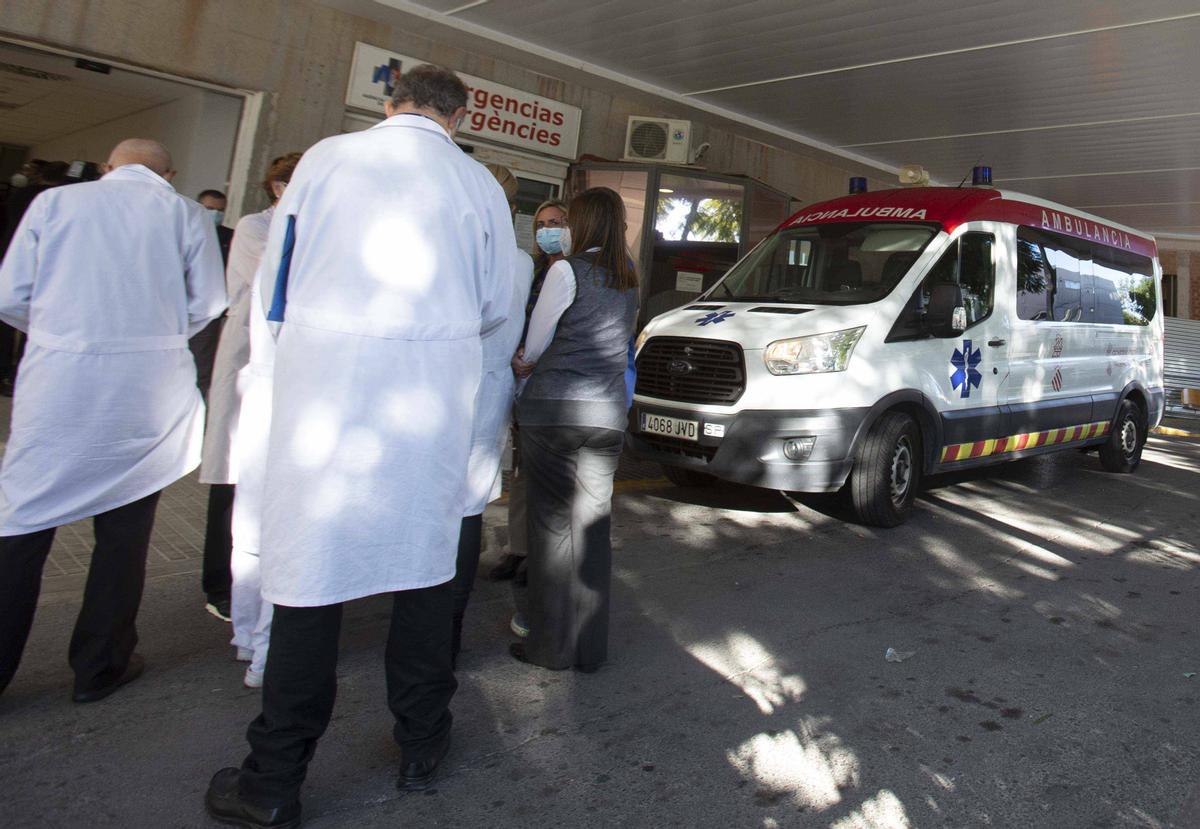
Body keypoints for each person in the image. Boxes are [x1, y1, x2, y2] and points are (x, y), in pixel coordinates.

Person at [205, 65, 514, 829]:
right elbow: (494, 303)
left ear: (388, 103)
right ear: (459, 117)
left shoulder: (327, 159)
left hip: (328, 396)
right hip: (428, 404)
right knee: (425, 575)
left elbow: (276, 286)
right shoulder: (478, 184)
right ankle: (422, 744)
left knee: (310, 583)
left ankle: (274, 778)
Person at [0, 138, 227, 701]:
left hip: (59, 381)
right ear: (169, 174)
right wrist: (154, 333)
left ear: (107, 168)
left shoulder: (55, 203)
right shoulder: (185, 214)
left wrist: (62, 333)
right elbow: (209, 302)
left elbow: (9, 295)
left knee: (23, 524)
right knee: (125, 529)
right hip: (144, 388)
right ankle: (99, 667)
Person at [509, 187, 639, 672]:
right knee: (592, 530)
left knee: (550, 530)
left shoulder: (566, 271)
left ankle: (550, 647)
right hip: (605, 416)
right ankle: (589, 650)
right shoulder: (629, 277)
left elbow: (537, 340)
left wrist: (523, 362)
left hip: (555, 412)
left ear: (580, 224)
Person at [198, 154, 301, 645]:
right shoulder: (255, 227)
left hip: (286, 365)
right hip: (248, 357)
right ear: (278, 187)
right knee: (234, 478)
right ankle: (220, 585)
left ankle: (263, 585)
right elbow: (284, 276)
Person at [450, 164, 533, 668]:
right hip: (490, 389)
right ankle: (448, 627)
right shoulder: (519, 261)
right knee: (467, 508)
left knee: (444, 506)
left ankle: (432, 616)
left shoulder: (459, 250)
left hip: (451, 385)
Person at [490, 199, 568, 586]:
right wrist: (518, 355)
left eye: (554, 222)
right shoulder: (535, 271)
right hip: (525, 379)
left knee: (549, 473)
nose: (546, 230)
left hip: (554, 382)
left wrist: (536, 357)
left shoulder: (575, 271)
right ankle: (518, 548)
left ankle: (541, 555)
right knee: (522, 472)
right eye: (540, 224)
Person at [190, 189, 235, 400]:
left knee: (202, 367)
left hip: (210, 312)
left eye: (220, 210)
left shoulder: (230, 237)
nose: (214, 214)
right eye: (209, 209)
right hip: (176, 309)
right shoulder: (186, 230)